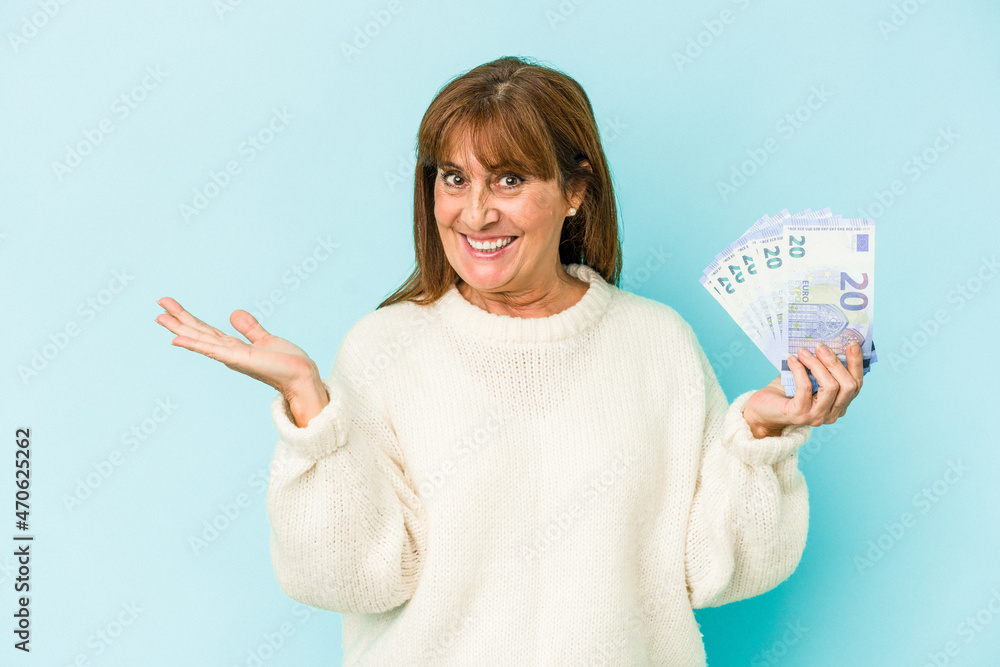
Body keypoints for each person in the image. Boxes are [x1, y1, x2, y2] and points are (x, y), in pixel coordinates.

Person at [155, 55, 864, 666]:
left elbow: (722, 569)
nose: (475, 213)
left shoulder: (657, 344)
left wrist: (761, 438)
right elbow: (346, 577)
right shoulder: (386, 348)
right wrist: (312, 411)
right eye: (454, 178)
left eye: (509, 179)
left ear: (576, 191)